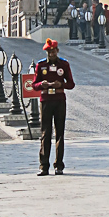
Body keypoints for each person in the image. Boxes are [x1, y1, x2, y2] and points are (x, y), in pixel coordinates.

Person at [32, 39, 75, 175]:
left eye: (53, 51)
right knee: (45, 133)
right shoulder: (41, 65)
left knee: (60, 133)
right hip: (45, 100)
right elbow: (34, 84)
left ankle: (59, 165)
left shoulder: (64, 64)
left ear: (57, 51)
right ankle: (44, 166)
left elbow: (71, 84)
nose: (51, 54)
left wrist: (60, 84)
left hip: (59, 100)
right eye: (49, 52)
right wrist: (41, 85)